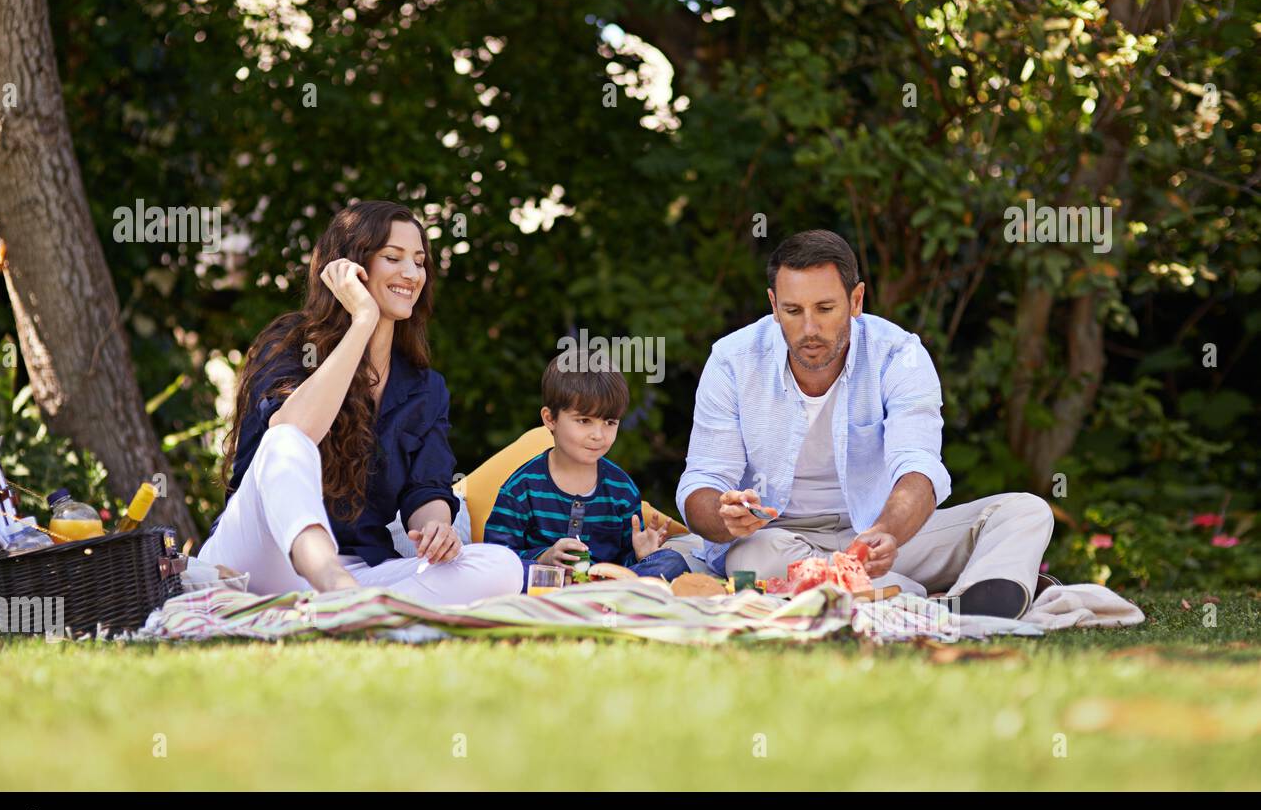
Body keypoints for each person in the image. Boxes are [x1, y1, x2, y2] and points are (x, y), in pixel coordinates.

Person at [675, 229, 1056, 619]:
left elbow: (918, 468)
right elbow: (702, 481)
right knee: (753, 559)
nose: (809, 329)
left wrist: (887, 532)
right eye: (793, 311)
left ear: (856, 300)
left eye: (825, 309)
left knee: (1025, 510)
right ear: (773, 305)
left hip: (879, 539)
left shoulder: (898, 354)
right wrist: (724, 517)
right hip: (778, 540)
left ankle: (939, 596)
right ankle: (925, 596)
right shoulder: (732, 360)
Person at [197, 201, 522, 603]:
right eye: (393, 257)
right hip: (260, 558)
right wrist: (363, 320)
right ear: (352, 266)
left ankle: (350, 611)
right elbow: (295, 431)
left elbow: (426, 489)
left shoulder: (424, 387)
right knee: (285, 440)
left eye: (419, 261)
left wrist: (438, 528)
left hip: (360, 569)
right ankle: (345, 595)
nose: (411, 273)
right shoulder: (290, 345)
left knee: (501, 566)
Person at [483, 354, 690, 588]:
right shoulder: (522, 487)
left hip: (604, 586)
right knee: (499, 571)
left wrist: (641, 555)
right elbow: (496, 558)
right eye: (584, 421)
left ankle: (599, 597)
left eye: (610, 423)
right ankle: (598, 599)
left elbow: (623, 565)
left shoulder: (621, 489)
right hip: (548, 582)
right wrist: (545, 556)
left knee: (671, 562)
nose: (598, 435)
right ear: (550, 419)